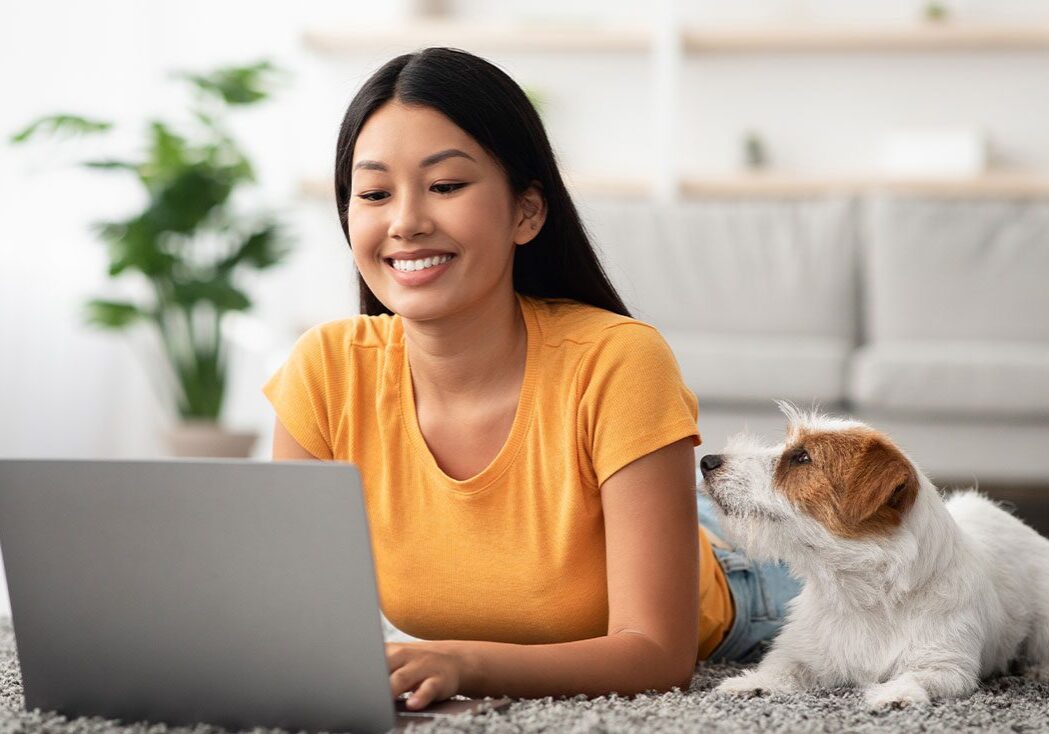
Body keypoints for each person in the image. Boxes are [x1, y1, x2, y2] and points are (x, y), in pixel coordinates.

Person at [263, 47, 801, 711]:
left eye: (445, 186)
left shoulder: (617, 360)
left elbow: (658, 655)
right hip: (617, 515)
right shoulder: (323, 369)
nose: (404, 221)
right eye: (373, 193)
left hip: (737, 572)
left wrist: (462, 663)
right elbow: (291, 627)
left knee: (918, 576)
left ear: (526, 213)